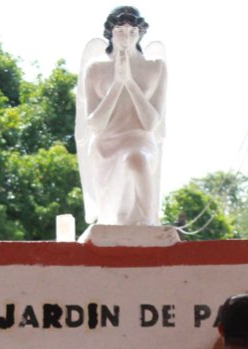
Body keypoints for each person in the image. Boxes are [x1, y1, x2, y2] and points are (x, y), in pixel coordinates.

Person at [76, 6, 168, 226]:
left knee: (135, 157)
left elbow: (151, 123)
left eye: (132, 32)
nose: (126, 37)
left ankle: (149, 222)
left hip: (141, 141)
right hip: (106, 146)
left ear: (140, 33)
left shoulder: (156, 68)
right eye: (120, 31)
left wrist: (130, 82)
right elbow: (95, 124)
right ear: (110, 32)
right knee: (119, 216)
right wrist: (117, 84)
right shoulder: (95, 69)